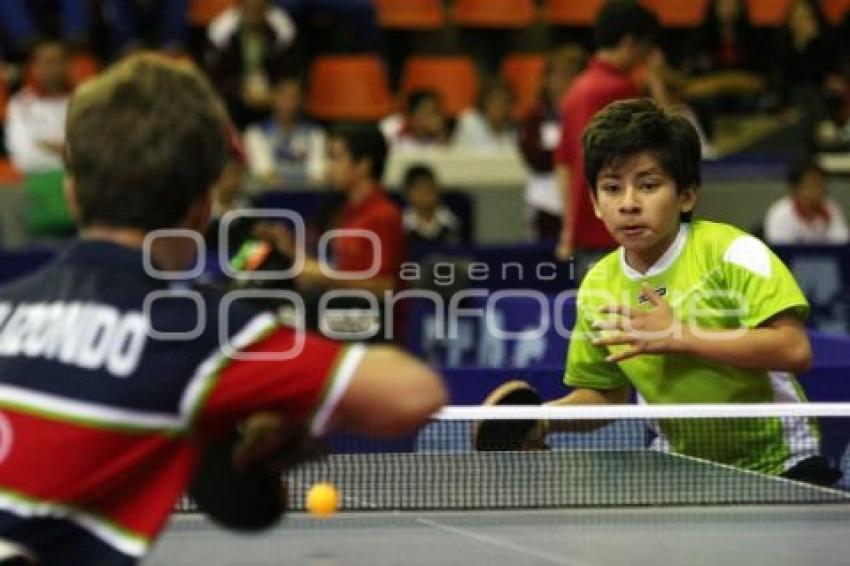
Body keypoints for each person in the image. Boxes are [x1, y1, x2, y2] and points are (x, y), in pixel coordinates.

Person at [0, 53, 446, 565]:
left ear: (72, 195)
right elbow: (415, 393)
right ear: (201, 210)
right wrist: (292, 417)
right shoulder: (201, 333)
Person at [539, 98, 837, 483]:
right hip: (683, 469)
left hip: (782, 464)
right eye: (612, 188)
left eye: (648, 185)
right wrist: (542, 419)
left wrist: (683, 336)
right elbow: (604, 396)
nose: (628, 204)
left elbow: (793, 350)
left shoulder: (732, 253)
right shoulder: (598, 286)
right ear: (595, 203)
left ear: (687, 196)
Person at [553, 0, 670, 272]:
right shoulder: (617, 89)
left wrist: (569, 231)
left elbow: (564, 166)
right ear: (630, 42)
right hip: (620, 234)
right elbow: (669, 142)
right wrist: (657, 82)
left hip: (592, 233)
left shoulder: (577, 88)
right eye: (647, 47)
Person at [519, 45, 585, 241]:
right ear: (546, 79)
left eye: (570, 75)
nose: (563, 82)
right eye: (557, 75)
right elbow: (536, 159)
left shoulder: (589, 113)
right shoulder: (534, 117)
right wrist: (568, 153)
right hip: (545, 206)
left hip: (583, 205)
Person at [204, 0, 297, 128]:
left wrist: (274, 94)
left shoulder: (282, 28)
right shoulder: (221, 31)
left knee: (288, 99)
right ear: (240, 6)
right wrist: (241, 93)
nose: (254, 11)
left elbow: (289, 71)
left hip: (271, 94)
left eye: (259, 7)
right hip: (236, 95)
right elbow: (215, 77)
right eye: (250, 7)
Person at [243, 74, 325, 189]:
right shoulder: (256, 133)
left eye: (293, 96)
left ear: (301, 101)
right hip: (268, 198)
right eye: (283, 95)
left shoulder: (314, 133)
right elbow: (264, 173)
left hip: (308, 196)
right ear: (273, 97)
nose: (288, 102)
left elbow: (318, 176)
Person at [5, 39, 71, 174]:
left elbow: (93, 151)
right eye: (48, 62)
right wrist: (66, 151)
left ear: (68, 64)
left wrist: (47, 146)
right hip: (37, 181)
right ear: (34, 66)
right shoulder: (19, 103)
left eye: (59, 60)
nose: (54, 68)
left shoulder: (83, 100)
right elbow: (24, 158)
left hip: (80, 180)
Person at [764, 160, 849, 245]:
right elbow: (779, 252)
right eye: (812, 185)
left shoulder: (831, 208)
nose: (819, 191)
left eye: (821, 185)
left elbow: (842, 245)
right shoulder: (780, 213)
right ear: (795, 188)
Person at [401, 164, 461, 247]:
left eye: (428, 188)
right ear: (407, 192)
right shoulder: (401, 225)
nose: (424, 194)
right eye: (419, 189)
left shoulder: (451, 222)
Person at [454, 79, 517, 151]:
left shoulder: (511, 132)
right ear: (484, 102)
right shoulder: (469, 121)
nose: (499, 107)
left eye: (504, 102)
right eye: (495, 101)